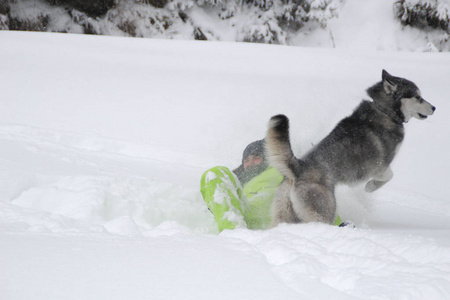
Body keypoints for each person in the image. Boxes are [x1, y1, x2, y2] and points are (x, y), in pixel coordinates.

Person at [200, 139, 284, 231]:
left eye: (256, 158)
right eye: (246, 160)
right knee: (213, 176)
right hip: (249, 221)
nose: (250, 163)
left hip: (260, 218)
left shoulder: (277, 172)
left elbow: (263, 206)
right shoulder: (244, 180)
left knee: (216, 173)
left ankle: (232, 229)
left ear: (267, 160)